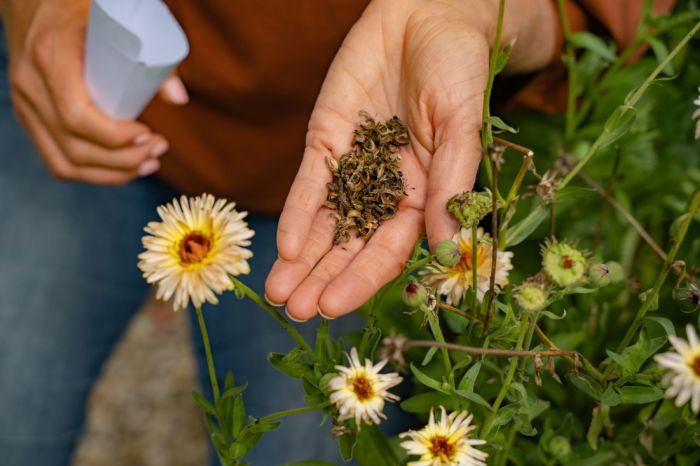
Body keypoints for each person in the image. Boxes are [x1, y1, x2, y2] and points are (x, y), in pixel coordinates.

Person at [0, 0, 671, 464]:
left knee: (314, 445)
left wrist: (464, 11)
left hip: (356, 151)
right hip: (97, 78)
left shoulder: (365, 167)